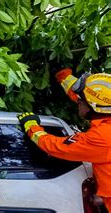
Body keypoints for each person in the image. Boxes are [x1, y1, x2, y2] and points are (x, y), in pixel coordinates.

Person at [17, 67, 111, 211]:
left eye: (80, 101)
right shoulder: (103, 111)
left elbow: (56, 147)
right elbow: (83, 96)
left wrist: (32, 127)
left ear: (93, 106)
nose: (77, 101)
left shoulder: (100, 138)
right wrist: (63, 75)